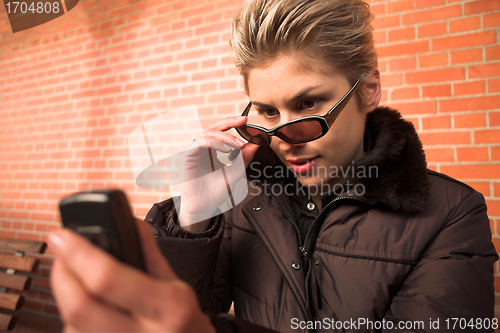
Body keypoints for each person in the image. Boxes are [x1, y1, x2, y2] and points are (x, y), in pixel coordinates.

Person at [49, 0, 498, 332]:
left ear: (369, 90)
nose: (285, 137)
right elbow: (196, 306)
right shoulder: (242, 198)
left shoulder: (453, 215)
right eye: (266, 111)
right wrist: (196, 219)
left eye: (309, 103)